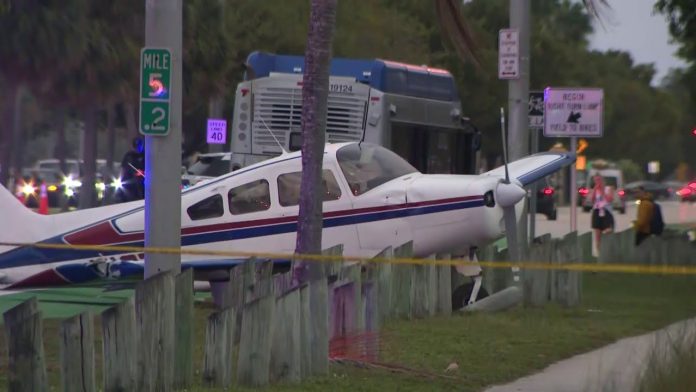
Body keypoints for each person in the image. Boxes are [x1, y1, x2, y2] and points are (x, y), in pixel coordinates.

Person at [590, 175, 614, 257]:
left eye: (599, 180)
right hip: (597, 211)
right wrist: (595, 189)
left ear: (603, 180)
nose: (598, 182)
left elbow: (609, 199)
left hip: (606, 212)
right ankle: (599, 254)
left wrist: (602, 190)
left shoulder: (608, 188)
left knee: (608, 230)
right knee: (597, 235)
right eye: (596, 180)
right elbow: (592, 200)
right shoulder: (595, 189)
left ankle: (608, 252)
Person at [118, 136, 145, 202]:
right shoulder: (128, 156)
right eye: (136, 146)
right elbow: (123, 169)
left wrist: (143, 173)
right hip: (129, 182)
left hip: (142, 183)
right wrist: (120, 179)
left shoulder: (145, 155)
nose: (137, 148)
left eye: (139, 146)